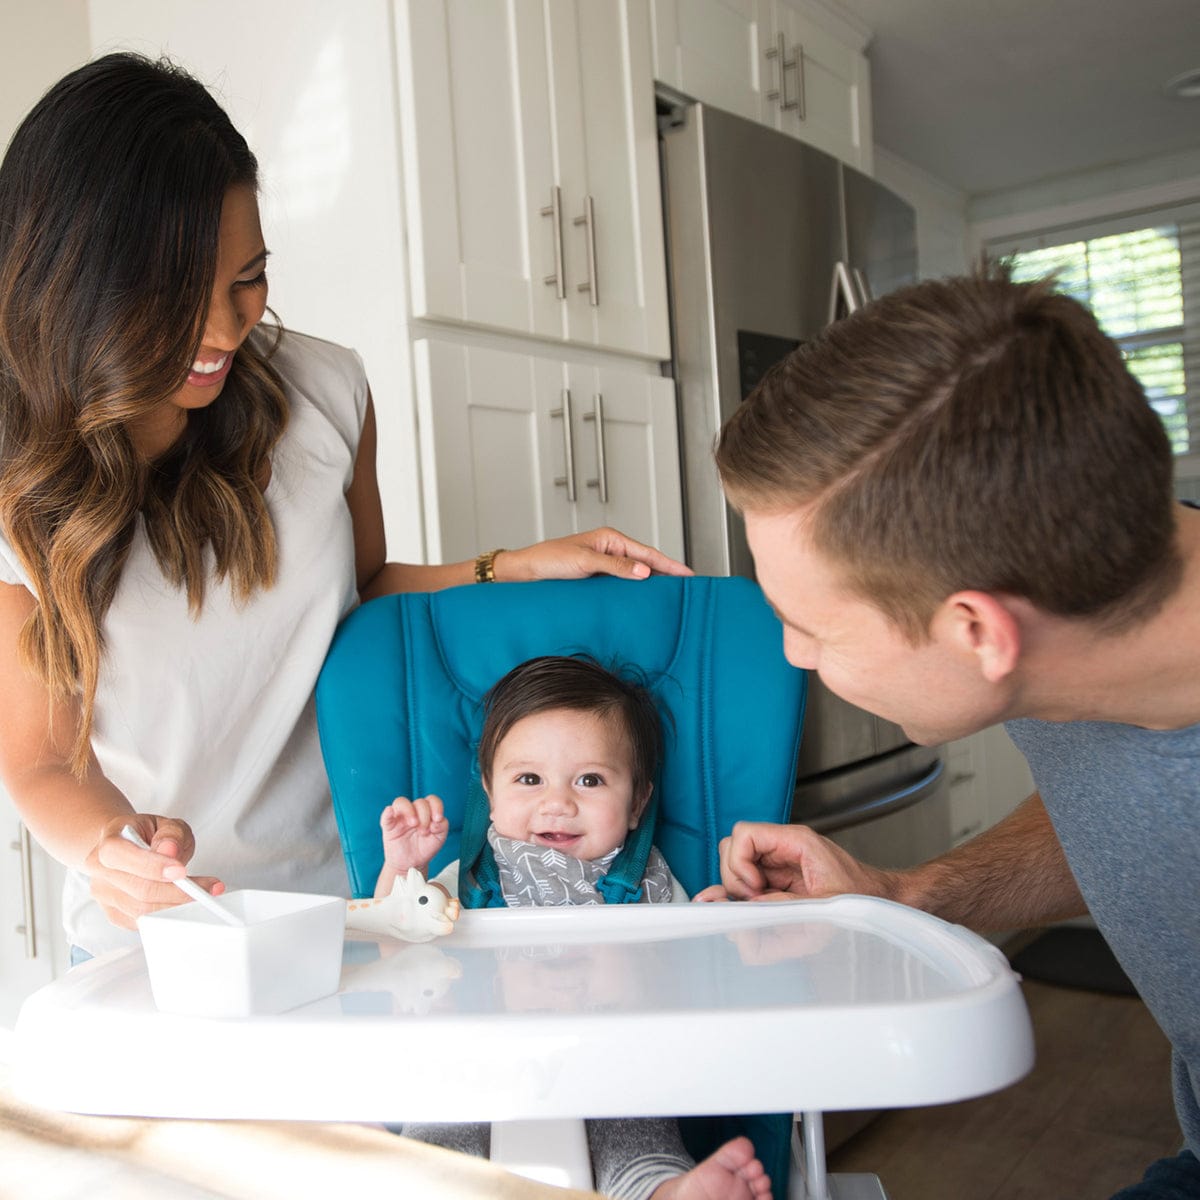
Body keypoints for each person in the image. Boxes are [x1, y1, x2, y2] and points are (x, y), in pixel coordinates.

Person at [0, 52, 688, 963]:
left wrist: (509, 567)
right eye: (177, 300)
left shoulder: (326, 391)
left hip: (358, 905)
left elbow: (358, 595)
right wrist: (107, 848)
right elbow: (41, 759)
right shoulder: (18, 481)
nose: (225, 330)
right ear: (77, 290)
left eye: (248, 278)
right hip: (164, 937)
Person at [711, 266, 1200, 1198]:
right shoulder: (1092, 610)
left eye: (811, 627)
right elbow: (1127, 804)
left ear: (979, 633)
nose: (792, 654)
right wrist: (906, 896)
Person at [373, 654, 771, 1200]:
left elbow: (688, 988)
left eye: (590, 780)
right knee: (440, 1127)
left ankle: (663, 1191)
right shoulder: (466, 881)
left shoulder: (649, 886)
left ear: (638, 802)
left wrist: (717, 935)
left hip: (610, 1064)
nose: (557, 802)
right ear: (489, 793)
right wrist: (403, 870)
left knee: (636, 1128)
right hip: (474, 1063)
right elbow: (395, 955)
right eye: (529, 779)